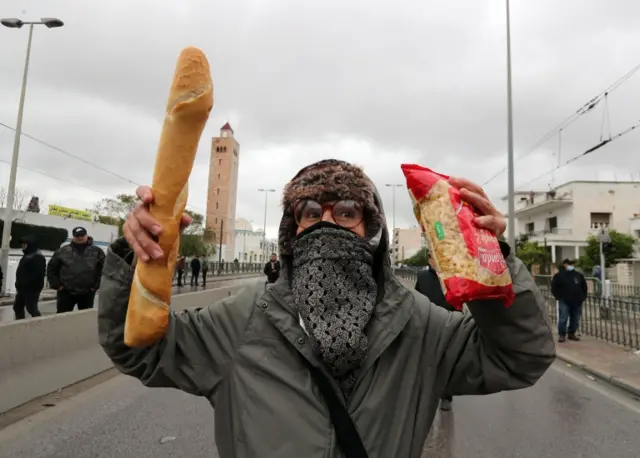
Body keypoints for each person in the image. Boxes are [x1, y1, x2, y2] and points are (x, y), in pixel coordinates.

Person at [99, 159, 555, 457]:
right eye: (311, 212)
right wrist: (133, 257)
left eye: (347, 211)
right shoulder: (243, 318)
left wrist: (492, 263)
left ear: (370, 230)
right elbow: (141, 350)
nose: (327, 223)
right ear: (292, 230)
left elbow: (520, 357)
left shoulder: (419, 324)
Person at [414, 252, 457, 411]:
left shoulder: (452, 277)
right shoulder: (422, 276)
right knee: (426, 362)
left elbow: (459, 300)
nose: (437, 260)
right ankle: (426, 397)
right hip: (428, 324)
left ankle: (446, 396)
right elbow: (417, 297)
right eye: (434, 257)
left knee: (447, 361)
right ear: (430, 260)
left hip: (449, 323)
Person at [47, 227, 106, 313]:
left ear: (86, 235)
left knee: (85, 318)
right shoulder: (63, 251)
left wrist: (95, 286)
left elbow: (103, 270)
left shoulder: (97, 251)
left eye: (82, 235)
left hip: (87, 292)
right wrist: (57, 285)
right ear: (73, 236)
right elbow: (51, 268)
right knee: (62, 317)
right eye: (77, 236)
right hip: (66, 292)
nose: (79, 238)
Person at [552, 258, 588, 343]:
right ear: (565, 265)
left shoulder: (578, 275)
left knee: (575, 319)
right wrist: (558, 297)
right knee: (563, 318)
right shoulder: (559, 275)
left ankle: (571, 333)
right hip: (564, 300)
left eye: (572, 264)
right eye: (569, 264)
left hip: (577, 301)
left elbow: (584, 287)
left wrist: (583, 297)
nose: (571, 265)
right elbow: (554, 287)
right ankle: (562, 335)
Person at [13, 235, 46, 320]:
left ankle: (38, 323)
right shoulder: (27, 255)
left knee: (31, 308)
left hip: (31, 289)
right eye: (22, 244)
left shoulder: (37, 257)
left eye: (25, 244)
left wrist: (28, 285)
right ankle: (19, 323)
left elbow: (38, 275)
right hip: (22, 288)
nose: (23, 246)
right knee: (17, 307)